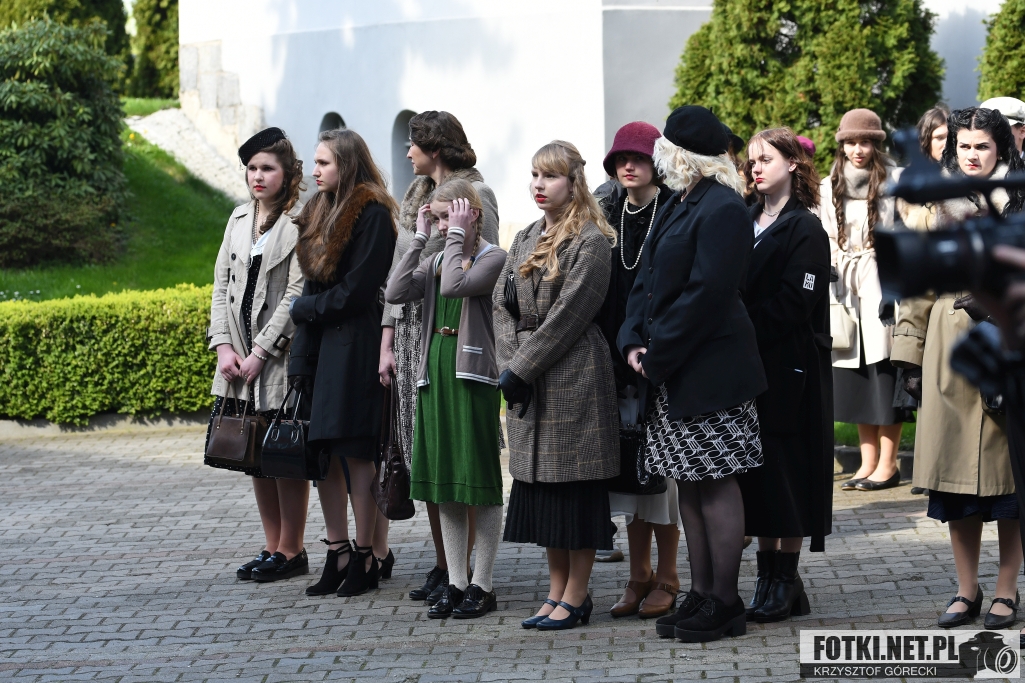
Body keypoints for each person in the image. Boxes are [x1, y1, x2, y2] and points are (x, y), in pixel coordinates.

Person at [619, 105, 767, 643]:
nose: (658, 160)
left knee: (716, 482)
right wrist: (632, 339)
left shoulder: (723, 206)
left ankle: (725, 602)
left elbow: (709, 294)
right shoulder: (680, 201)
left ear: (683, 157)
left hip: (711, 370)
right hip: (673, 367)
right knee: (690, 482)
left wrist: (659, 354)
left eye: (665, 152)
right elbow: (646, 279)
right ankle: (701, 594)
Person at [890, 107, 1025, 629]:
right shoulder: (931, 206)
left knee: (1011, 487)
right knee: (954, 488)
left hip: (1007, 348)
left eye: (982, 146)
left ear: (1001, 149)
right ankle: (966, 590)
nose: (972, 155)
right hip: (948, 354)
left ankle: (1006, 590)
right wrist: (909, 358)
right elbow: (915, 288)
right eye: (963, 146)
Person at [494, 140, 619, 631]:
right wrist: (511, 364)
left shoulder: (591, 239)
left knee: (575, 491)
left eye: (549, 176)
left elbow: (570, 316)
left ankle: (578, 595)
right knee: (544, 492)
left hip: (575, 375)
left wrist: (520, 368)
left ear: (574, 182)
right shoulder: (526, 236)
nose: (539, 185)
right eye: (535, 175)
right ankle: (554, 592)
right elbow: (501, 305)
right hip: (529, 377)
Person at [378, 111, 500, 604]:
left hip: (469, 363)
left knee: (476, 472)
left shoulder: (489, 247)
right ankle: (452, 574)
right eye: (439, 217)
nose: (408, 152)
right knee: (441, 472)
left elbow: (457, 279)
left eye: (452, 217)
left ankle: (480, 579)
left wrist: (449, 235)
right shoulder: (425, 225)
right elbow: (395, 288)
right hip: (430, 358)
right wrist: (420, 237)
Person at [288, 129, 398, 598]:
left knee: (356, 452)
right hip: (319, 345)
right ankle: (337, 552)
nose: (314, 171)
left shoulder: (372, 213)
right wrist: (300, 355)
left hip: (356, 344)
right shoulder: (318, 210)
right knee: (323, 456)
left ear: (347, 164)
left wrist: (306, 309)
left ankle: (367, 555)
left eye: (323, 163)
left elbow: (359, 290)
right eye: (315, 162)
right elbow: (312, 287)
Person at [735, 127, 832, 622]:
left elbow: (798, 300)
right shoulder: (744, 219)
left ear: (793, 164)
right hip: (748, 368)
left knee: (788, 472)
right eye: (752, 160)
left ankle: (785, 579)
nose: (756, 167)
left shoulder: (805, 228)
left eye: (766, 159)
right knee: (759, 475)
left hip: (791, 367)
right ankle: (766, 576)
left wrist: (740, 330)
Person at [206, 127, 309, 582]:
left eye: (267, 168)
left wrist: (263, 350)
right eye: (251, 168)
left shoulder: (301, 219)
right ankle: (271, 546)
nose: (258, 176)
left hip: (278, 358)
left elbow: (297, 292)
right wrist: (223, 346)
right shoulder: (238, 218)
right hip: (238, 355)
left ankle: (292, 549)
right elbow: (220, 286)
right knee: (253, 454)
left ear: (287, 173)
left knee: (283, 453)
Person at [595, 122, 680, 620]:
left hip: (660, 358)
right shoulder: (608, 213)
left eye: (640, 158)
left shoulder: (672, 210)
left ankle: (668, 575)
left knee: (662, 475)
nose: (629, 166)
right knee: (630, 472)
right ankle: (638, 574)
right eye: (621, 159)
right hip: (616, 357)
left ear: (656, 163)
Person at [817, 108, 905, 492]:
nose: (858, 149)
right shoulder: (827, 186)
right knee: (855, 378)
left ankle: (889, 464)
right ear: (842, 145)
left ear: (876, 144)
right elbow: (823, 235)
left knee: (884, 375)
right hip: (843, 286)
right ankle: (868, 463)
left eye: (865, 142)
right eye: (851, 142)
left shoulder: (894, 180)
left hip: (882, 283)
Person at [893, 104, 949, 496]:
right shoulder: (911, 187)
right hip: (921, 298)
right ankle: (932, 473)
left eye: (951, 137)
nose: (947, 144)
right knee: (927, 394)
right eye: (939, 137)